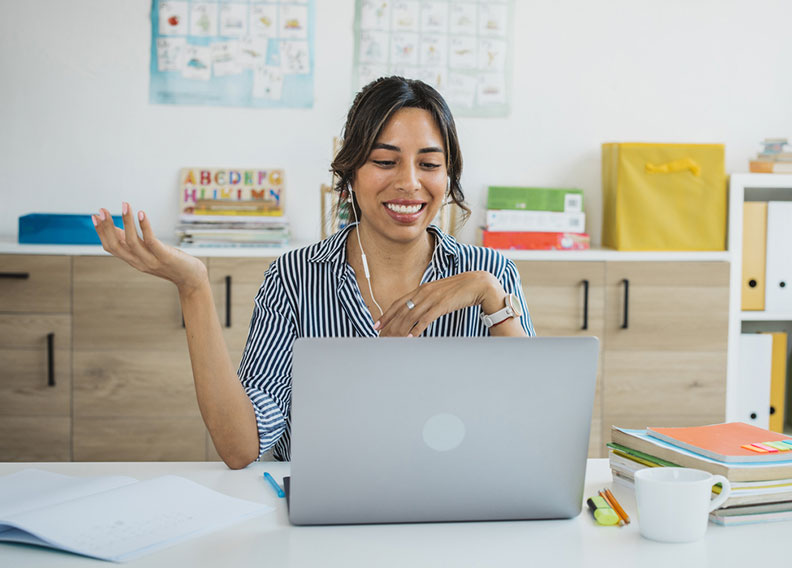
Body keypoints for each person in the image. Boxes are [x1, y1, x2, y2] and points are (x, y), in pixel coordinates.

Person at [92, 76, 535, 469]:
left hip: (458, 509)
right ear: (351, 173)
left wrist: (491, 296)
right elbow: (240, 446)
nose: (409, 182)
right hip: (327, 520)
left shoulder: (491, 274)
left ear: (448, 175)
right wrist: (194, 286)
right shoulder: (294, 278)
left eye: (429, 164)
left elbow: (530, 423)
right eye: (385, 161)